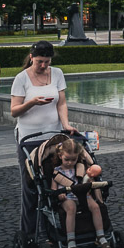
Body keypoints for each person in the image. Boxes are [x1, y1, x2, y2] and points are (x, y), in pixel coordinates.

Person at [10, 40, 76, 237]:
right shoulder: (21, 78)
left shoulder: (57, 74)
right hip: (29, 138)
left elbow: (61, 103)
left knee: (54, 183)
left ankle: (54, 230)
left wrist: (65, 124)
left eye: (47, 62)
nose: (43, 66)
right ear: (31, 57)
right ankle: (28, 233)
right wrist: (31, 103)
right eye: (39, 61)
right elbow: (14, 111)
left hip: (54, 138)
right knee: (31, 187)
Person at [50, 137, 109, 248]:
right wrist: (58, 195)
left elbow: (86, 179)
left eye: (73, 159)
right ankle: (71, 239)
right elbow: (53, 188)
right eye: (67, 159)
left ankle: (100, 235)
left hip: (82, 194)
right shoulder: (57, 171)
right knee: (71, 208)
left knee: (96, 207)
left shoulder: (80, 167)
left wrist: (89, 183)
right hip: (67, 197)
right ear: (60, 155)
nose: (70, 162)